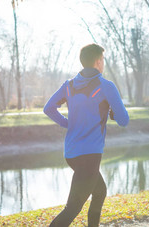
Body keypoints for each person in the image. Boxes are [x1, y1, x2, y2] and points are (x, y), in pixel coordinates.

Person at [43, 43, 129, 227]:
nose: (103, 63)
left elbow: (49, 108)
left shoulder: (69, 85)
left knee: (99, 192)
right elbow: (123, 120)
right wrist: (113, 112)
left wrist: (68, 123)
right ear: (98, 61)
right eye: (103, 60)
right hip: (90, 156)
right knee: (73, 208)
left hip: (71, 154)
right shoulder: (106, 86)